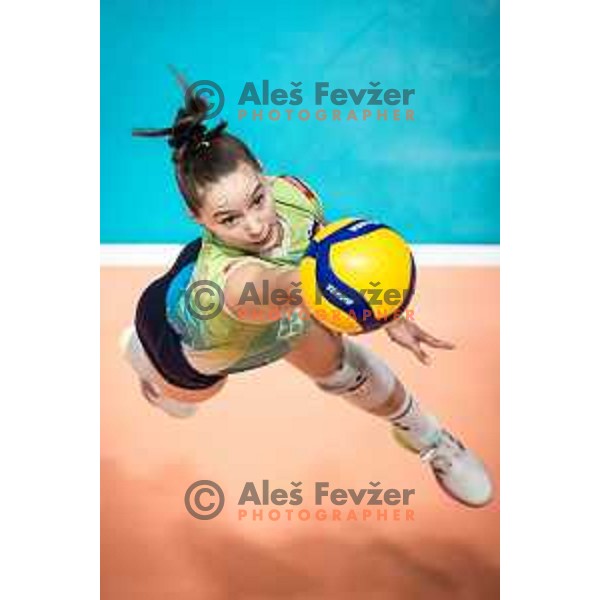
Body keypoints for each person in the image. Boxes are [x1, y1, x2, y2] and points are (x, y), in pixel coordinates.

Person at [123, 80, 493, 508]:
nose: (257, 226)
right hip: (189, 339)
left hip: (281, 315)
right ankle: (148, 370)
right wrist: (378, 308)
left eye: (258, 199)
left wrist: (393, 315)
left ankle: (430, 439)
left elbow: (328, 258)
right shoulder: (237, 286)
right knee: (188, 399)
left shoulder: (294, 194)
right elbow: (306, 282)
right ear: (198, 218)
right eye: (228, 219)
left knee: (339, 365)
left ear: (264, 172)